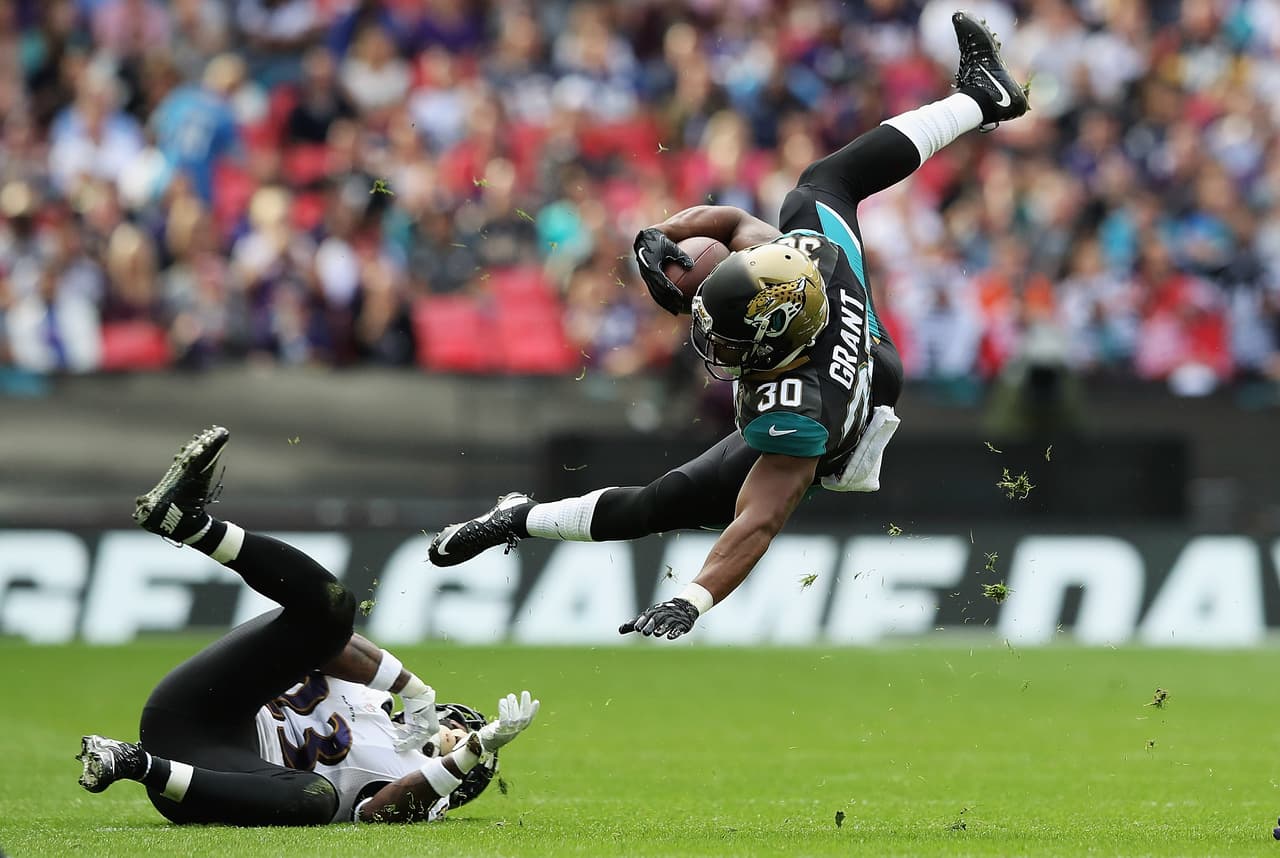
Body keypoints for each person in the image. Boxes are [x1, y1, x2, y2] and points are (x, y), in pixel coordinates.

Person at [428, 13, 1030, 641]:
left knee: (661, 503)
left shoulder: (799, 408)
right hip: (840, 336)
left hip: (855, 393)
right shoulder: (805, 256)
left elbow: (760, 521)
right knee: (819, 188)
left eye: (731, 342)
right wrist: (662, 238)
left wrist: (692, 599)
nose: (711, 348)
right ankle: (983, 96)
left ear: (775, 344)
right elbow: (733, 222)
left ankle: (522, 519)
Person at [76, 426, 540, 824]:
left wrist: (472, 753)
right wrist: (415, 689)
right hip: (200, 707)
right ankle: (189, 525)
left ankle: (134, 764)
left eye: (463, 738)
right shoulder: (375, 696)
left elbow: (379, 812)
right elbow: (329, 643)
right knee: (333, 611)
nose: (454, 733)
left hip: (218, 780)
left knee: (318, 799)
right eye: (460, 728)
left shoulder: (419, 783)